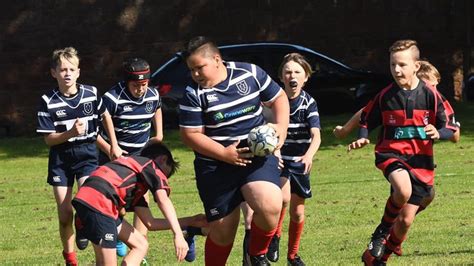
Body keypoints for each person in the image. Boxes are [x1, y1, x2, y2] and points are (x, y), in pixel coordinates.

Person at [179, 36, 290, 265]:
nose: (196, 75)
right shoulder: (193, 93)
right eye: (191, 70)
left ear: (217, 59)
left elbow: (278, 98)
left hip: (254, 156)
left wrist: (281, 128)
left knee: (270, 204)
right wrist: (224, 154)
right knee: (222, 231)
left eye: (200, 68)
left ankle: (256, 254)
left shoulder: (249, 73)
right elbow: (190, 135)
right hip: (215, 165)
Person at [347, 40, 458, 265]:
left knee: (406, 221)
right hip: (392, 155)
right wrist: (362, 136)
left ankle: (379, 259)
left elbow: (451, 126)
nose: (396, 70)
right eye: (392, 65)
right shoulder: (386, 95)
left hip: (421, 163)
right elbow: (367, 118)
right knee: (402, 189)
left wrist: (438, 132)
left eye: (402, 65)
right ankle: (380, 233)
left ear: (416, 66)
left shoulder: (431, 95)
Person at [36, 47, 121, 266]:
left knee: (89, 205)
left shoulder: (91, 94)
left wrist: (113, 145)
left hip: (87, 155)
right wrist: (71, 133)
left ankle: (95, 248)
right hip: (61, 159)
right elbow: (49, 139)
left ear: (78, 72)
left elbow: (105, 116)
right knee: (65, 214)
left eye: (71, 69)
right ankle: (70, 258)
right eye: (62, 69)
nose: (67, 73)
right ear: (53, 73)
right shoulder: (48, 100)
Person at [72, 142, 205, 265]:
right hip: (100, 202)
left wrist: (191, 221)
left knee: (140, 245)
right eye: (165, 175)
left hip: (96, 202)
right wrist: (178, 235)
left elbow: (150, 223)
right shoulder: (150, 165)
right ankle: (83, 220)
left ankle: (82, 220)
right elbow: (163, 200)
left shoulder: (134, 181)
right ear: (163, 159)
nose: (163, 180)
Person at [96, 57, 166, 259]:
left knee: (141, 201)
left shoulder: (152, 94)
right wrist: (112, 148)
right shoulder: (112, 98)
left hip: (140, 159)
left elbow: (157, 107)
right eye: (136, 85)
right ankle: (119, 235)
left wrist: (159, 134)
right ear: (126, 82)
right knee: (118, 206)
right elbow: (94, 133)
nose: (141, 89)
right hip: (114, 161)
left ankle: (139, 252)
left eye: (144, 84)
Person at [263, 53, 321, 266]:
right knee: (283, 198)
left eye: (297, 72)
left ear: (306, 77)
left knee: (297, 213)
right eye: (288, 72)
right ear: (281, 77)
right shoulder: (275, 102)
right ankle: (275, 236)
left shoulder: (308, 103)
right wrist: (273, 150)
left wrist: (309, 155)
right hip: (280, 160)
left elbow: (317, 135)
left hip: (300, 162)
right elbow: (268, 131)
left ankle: (292, 256)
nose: (292, 76)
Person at [334, 61, 460, 143]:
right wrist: (346, 130)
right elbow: (367, 111)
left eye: (435, 85)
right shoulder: (395, 96)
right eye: (429, 86)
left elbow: (454, 136)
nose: (433, 90)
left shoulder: (436, 98)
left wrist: (447, 130)